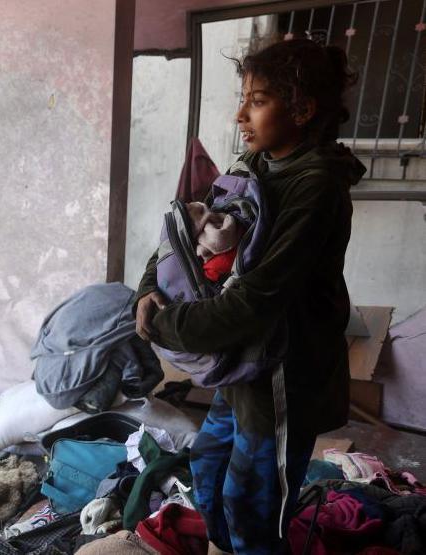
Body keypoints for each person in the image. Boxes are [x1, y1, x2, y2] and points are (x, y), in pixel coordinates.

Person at [134, 39, 364, 554]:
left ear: (302, 110)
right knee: (208, 472)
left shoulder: (316, 185)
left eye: (257, 100)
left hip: (284, 378)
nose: (240, 114)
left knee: (253, 504)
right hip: (244, 372)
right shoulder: (254, 165)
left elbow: (257, 300)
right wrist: (150, 288)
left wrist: (164, 325)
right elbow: (186, 235)